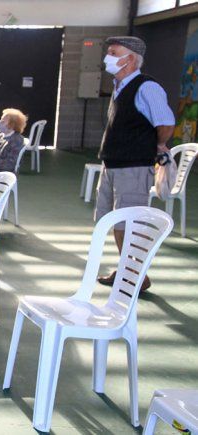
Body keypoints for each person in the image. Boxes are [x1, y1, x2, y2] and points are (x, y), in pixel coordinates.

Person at [95, 36, 175, 291]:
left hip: (132, 167)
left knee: (128, 223)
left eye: (113, 52)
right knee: (113, 220)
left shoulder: (146, 87)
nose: (107, 57)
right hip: (113, 164)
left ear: (129, 58)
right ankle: (128, 270)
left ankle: (137, 275)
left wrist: (156, 145)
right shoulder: (119, 86)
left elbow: (166, 123)